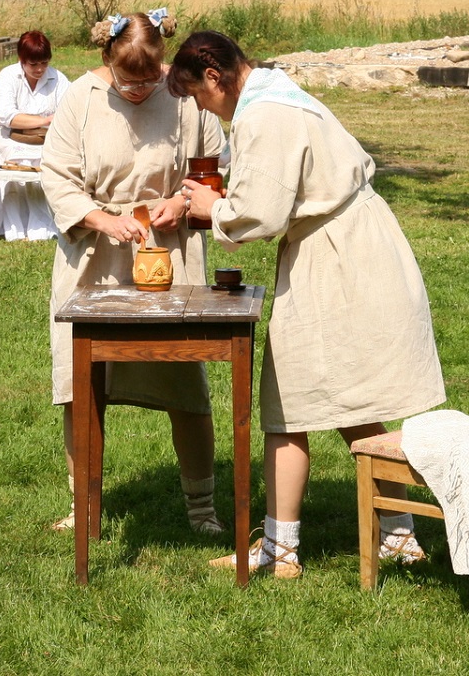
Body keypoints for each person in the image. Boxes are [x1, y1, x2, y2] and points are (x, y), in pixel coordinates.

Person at [170, 30, 446, 578]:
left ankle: (282, 550)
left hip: (339, 258)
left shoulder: (263, 114)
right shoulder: (275, 93)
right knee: (349, 398)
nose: (203, 107)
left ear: (213, 77)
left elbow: (261, 215)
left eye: (198, 95)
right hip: (353, 245)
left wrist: (211, 206)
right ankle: (397, 533)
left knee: (289, 404)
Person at [39, 9, 225, 535]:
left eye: (150, 80)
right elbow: (58, 177)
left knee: (186, 387)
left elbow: (213, 170)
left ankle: (202, 511)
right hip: (95, 260)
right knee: (81, 390)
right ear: (107, 61)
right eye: (128, 81)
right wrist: (102, 218)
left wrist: (181, 203)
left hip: (168, 257)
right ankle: (85, 508)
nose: (141, 90)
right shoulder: (80, 98)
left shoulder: (186, 98)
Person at [0, 30, 69, 241]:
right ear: (21, 60)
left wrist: (48, 123)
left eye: (44, 63)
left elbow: (68, 113)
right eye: (33, 64)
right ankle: (13, 228)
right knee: (18, 162)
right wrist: (44, 120)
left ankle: (41, 228)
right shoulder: (8, 76)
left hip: (45, 141)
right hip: (9, 137)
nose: (40, 69)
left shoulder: (58, 79)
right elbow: (6, 116)